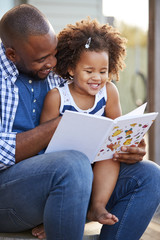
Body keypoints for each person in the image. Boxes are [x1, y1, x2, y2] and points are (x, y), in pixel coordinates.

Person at [0, 4, 159, 240]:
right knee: (72, 163)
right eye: (43, 58)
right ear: (12, 54)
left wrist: (127, 145)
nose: (53, 63)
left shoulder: (57, 70)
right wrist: (55, 126)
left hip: (69, 181)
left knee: (149, 175)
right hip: (10, 195)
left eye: (54, 53)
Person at [40, 18, 128, 226]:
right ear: (71, 69)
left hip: (97, 160)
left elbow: (117, 128)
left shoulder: (109, 92)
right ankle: (50, 218)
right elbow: (44, 142)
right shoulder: (57, 97)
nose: (97, 78)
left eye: (103, 71)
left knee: (111, 152)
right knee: (70, 168)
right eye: (89, 71)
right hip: (65, 162)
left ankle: (97, 206)